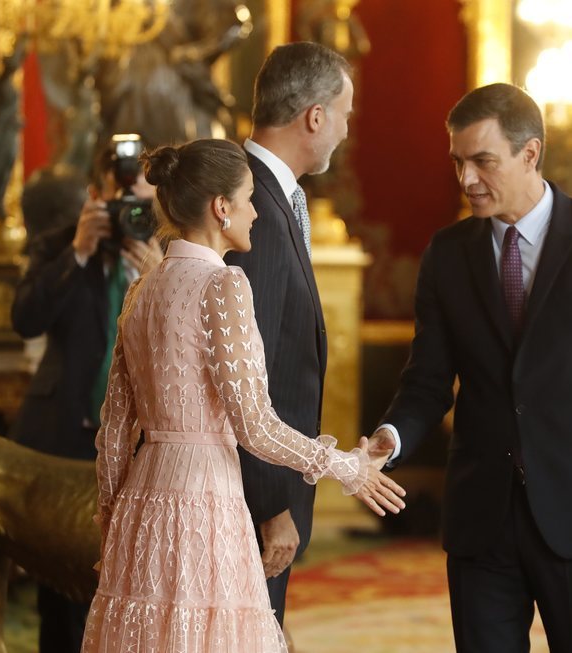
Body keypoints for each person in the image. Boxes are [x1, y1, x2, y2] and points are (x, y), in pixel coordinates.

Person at [368, 83, 572, 653]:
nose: (466, 180)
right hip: (481, 520)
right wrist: (390, 437)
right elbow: (428, 380)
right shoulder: (447, 252)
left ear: (530, 153)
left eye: (483, 162)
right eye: (458, 162)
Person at [80, 138, 405, 653]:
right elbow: (253, 423)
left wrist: (114, 522)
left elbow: (115, 432)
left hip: (143, 502)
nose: (255, 212)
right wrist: (347, 467)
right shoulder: (223, 284)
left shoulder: (143, 289)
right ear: (221, 207)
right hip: (204, 498)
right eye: (250, 198)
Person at [11, 143, 164, 653]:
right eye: (119, 194)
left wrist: (161, 277)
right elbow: (26, 319)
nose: (130, 207)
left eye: (141, 193)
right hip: (66, 435)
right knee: (61, 590)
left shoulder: (172, 255)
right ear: (95, 194)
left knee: (135, 585)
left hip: (144, 445)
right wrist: (76, 252)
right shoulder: (59, 245)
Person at [222, 41, 353, 625]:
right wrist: (273, 502)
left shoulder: (267, 196)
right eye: (346, 114)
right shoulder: (256, 211)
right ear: (315, 116)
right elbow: (254, 373)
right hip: (254, 498)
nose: (346, 131)